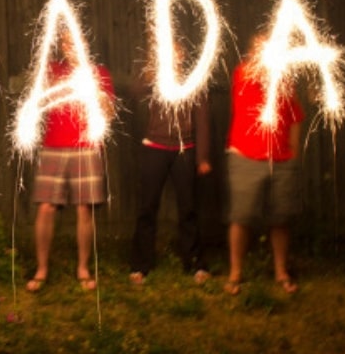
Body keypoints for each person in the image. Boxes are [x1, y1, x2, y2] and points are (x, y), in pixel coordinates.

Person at [25, 33, 115, 292]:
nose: (70, 46)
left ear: (85, 43)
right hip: (53, 146)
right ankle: (41, 269)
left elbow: (109, 114)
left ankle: (83, 268)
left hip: (85, 148)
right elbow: (38, 99)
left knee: (84, 209)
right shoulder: (52, 70)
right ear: (61, 47)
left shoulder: (99, 73)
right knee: (45, 209)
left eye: (74, 41)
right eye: (65, 43)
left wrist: (94, 91)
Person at [224, 34, 304, 295]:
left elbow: (294, 116)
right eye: (261, 47)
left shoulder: (285, 80)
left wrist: (293, 153)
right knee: (242, 217)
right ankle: (235, 273)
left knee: (280, 218)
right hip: (246, 155)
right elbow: (255, 75)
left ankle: (281, 272)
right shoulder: (243, 73)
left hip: (281, 159)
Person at [129, 62, 212, 286]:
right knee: (147, 207)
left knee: (188, 208)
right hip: (154, 146)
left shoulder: (194, 78)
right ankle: (141, 265)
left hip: (185, 148)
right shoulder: (155, 75)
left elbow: (202, 118)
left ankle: (195, 263)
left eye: (177, 52)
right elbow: (135, 92)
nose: (173, 56)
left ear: (183, 55)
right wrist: (149, 71)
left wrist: (202, 157)